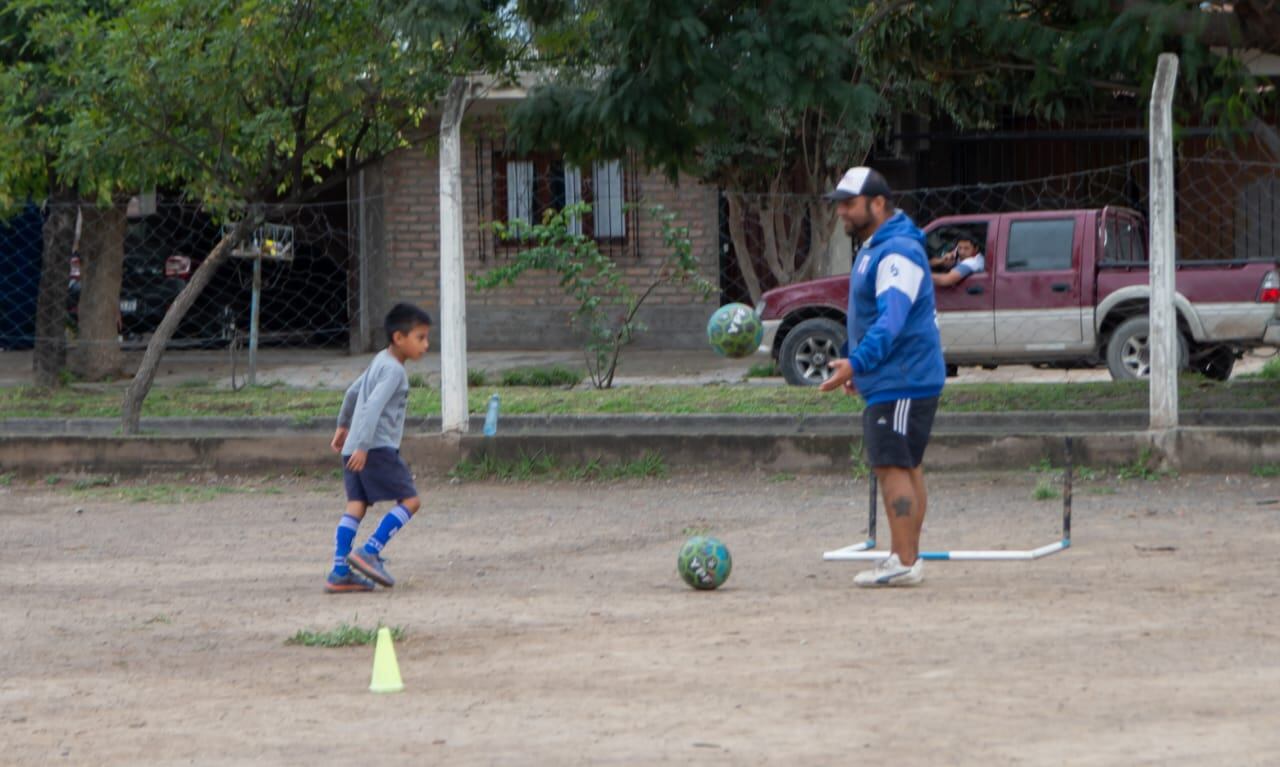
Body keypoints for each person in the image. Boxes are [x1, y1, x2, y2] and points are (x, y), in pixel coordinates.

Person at [818, 167, 946, 587]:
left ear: (877, 203)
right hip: (897, 376)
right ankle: (903, 556)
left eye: (849, 204)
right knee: (907, 466)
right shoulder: (880, 246)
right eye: (839, 204)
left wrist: (856, 363)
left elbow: (891, 321)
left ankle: (905, 562)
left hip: (903, 377)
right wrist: (862, 365)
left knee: (893, 466)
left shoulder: (896, 252)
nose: (841, 212)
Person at [324, 303, 432, 593]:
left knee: (356, 506)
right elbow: (372, 407)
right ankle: (370, 551)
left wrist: (343, 426)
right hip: (375, 448)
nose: (426, 344)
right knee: (411, 501)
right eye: (420, 337)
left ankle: (339, 572)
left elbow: (353, 393)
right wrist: (362, 445)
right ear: (399, 338)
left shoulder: (379, 360)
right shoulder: (395, 371)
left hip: (356, 447)